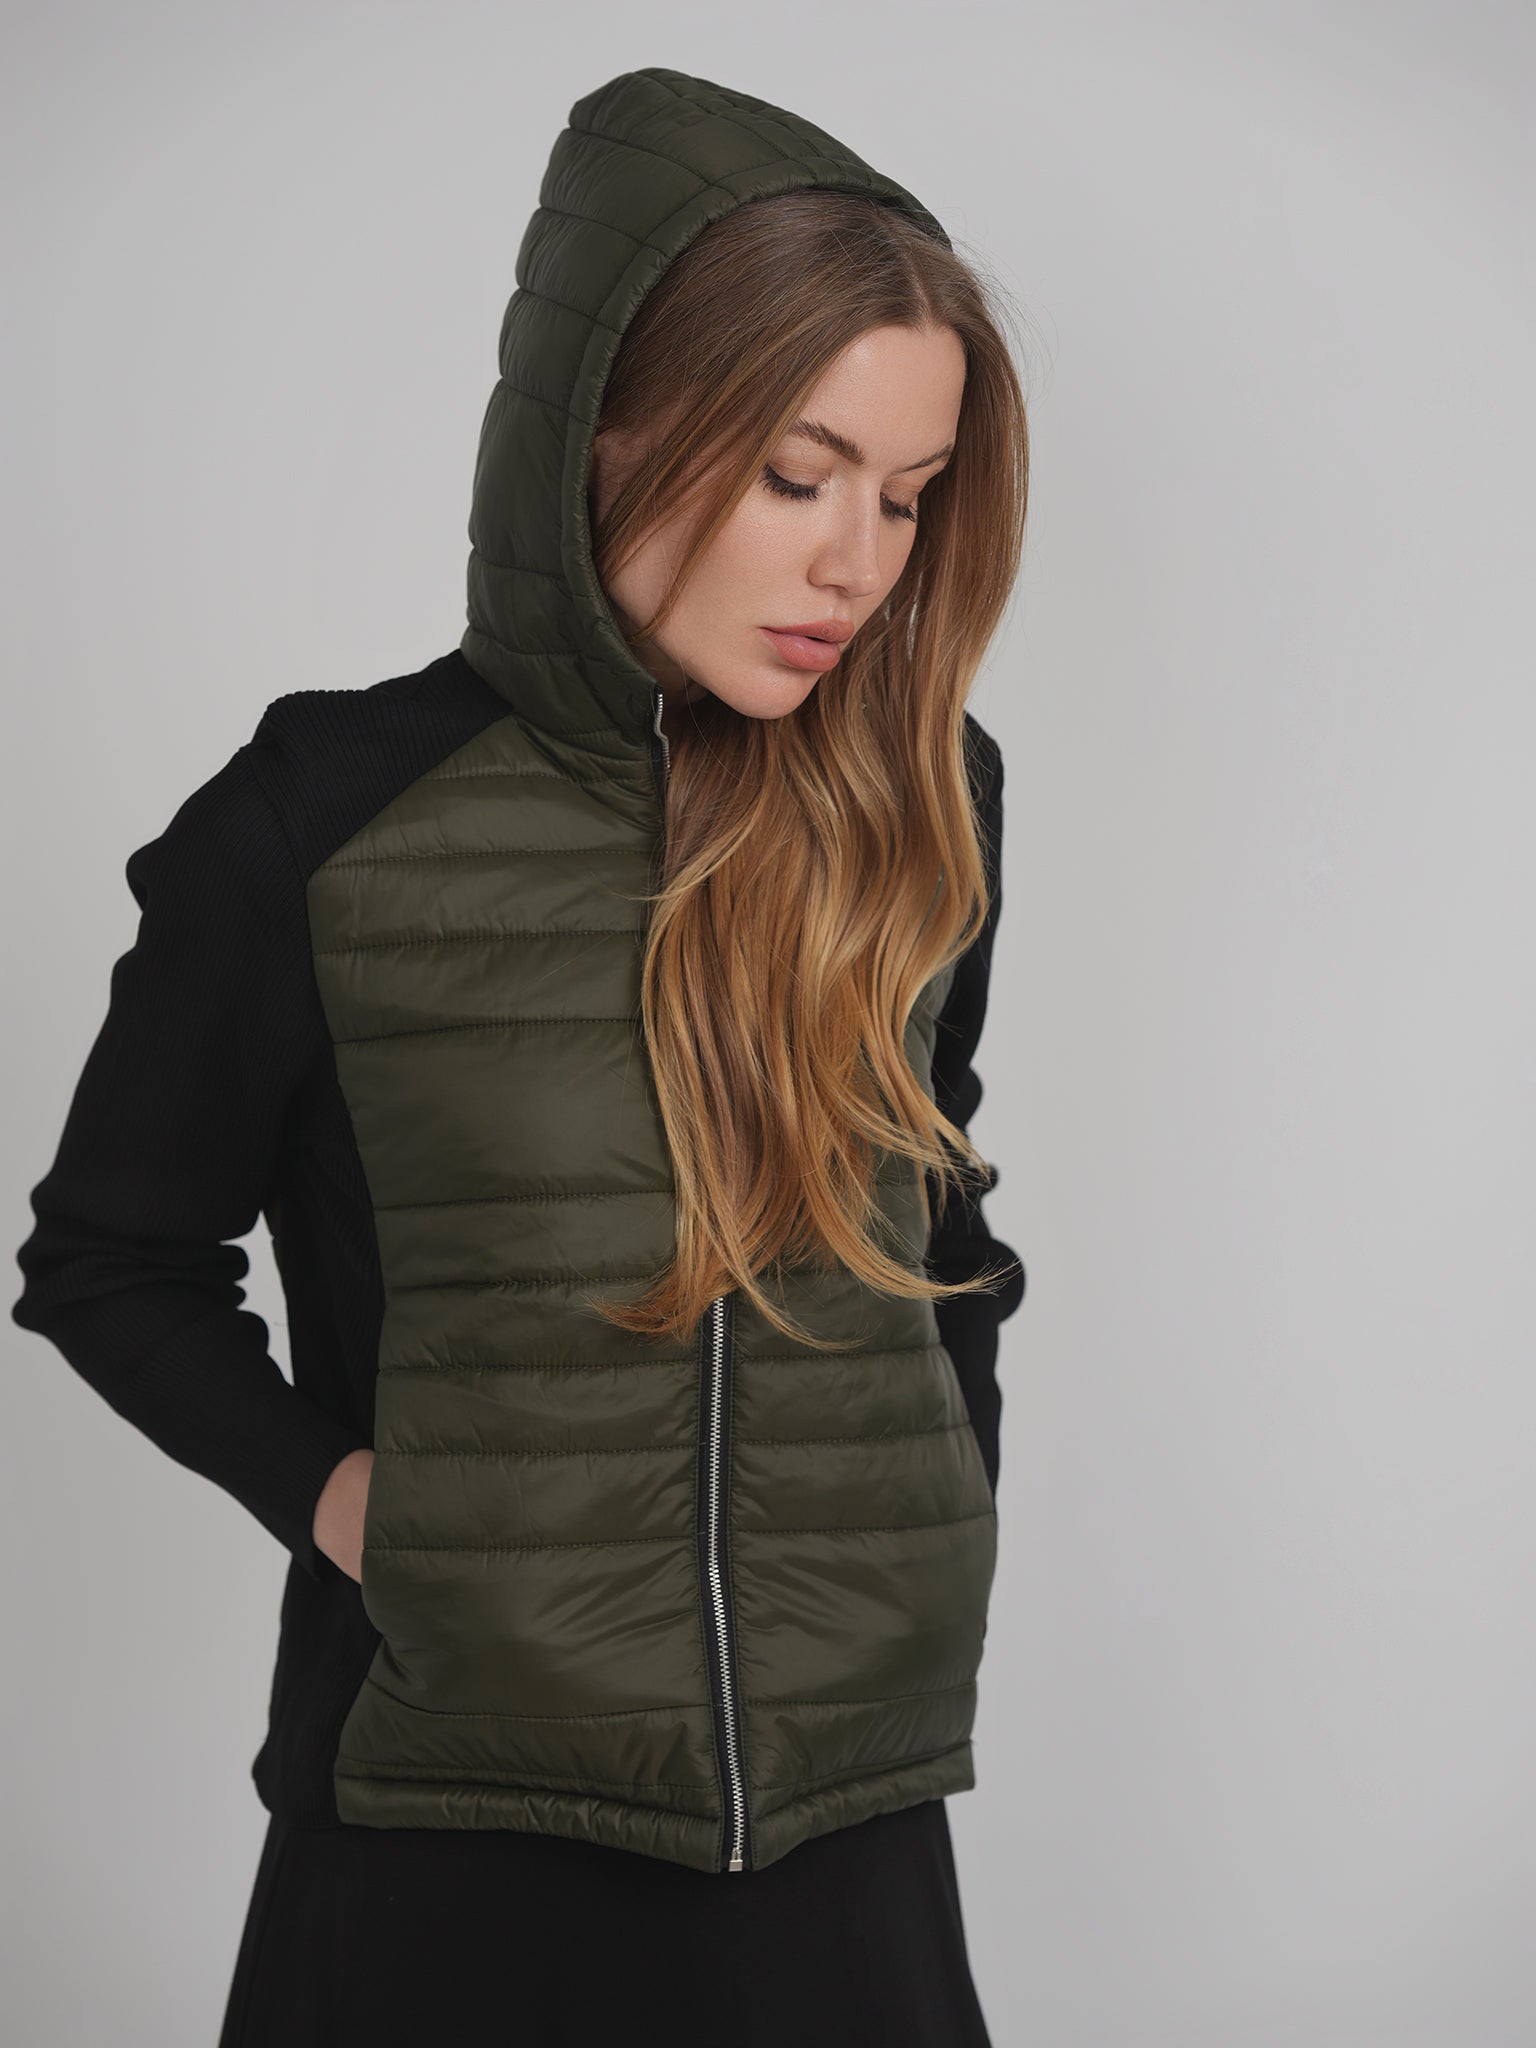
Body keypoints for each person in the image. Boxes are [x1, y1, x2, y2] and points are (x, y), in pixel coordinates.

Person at [11, 64, 1029, 2047]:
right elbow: (109, 1260)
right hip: (443, 1829)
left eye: (908, 497)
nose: (859, 563)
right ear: (608, 426)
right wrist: (346, 1502)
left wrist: (925, 1536)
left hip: (847, 1832)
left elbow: (941, 1219)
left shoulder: (925, 802)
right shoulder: (324, 819)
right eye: (799, 474)